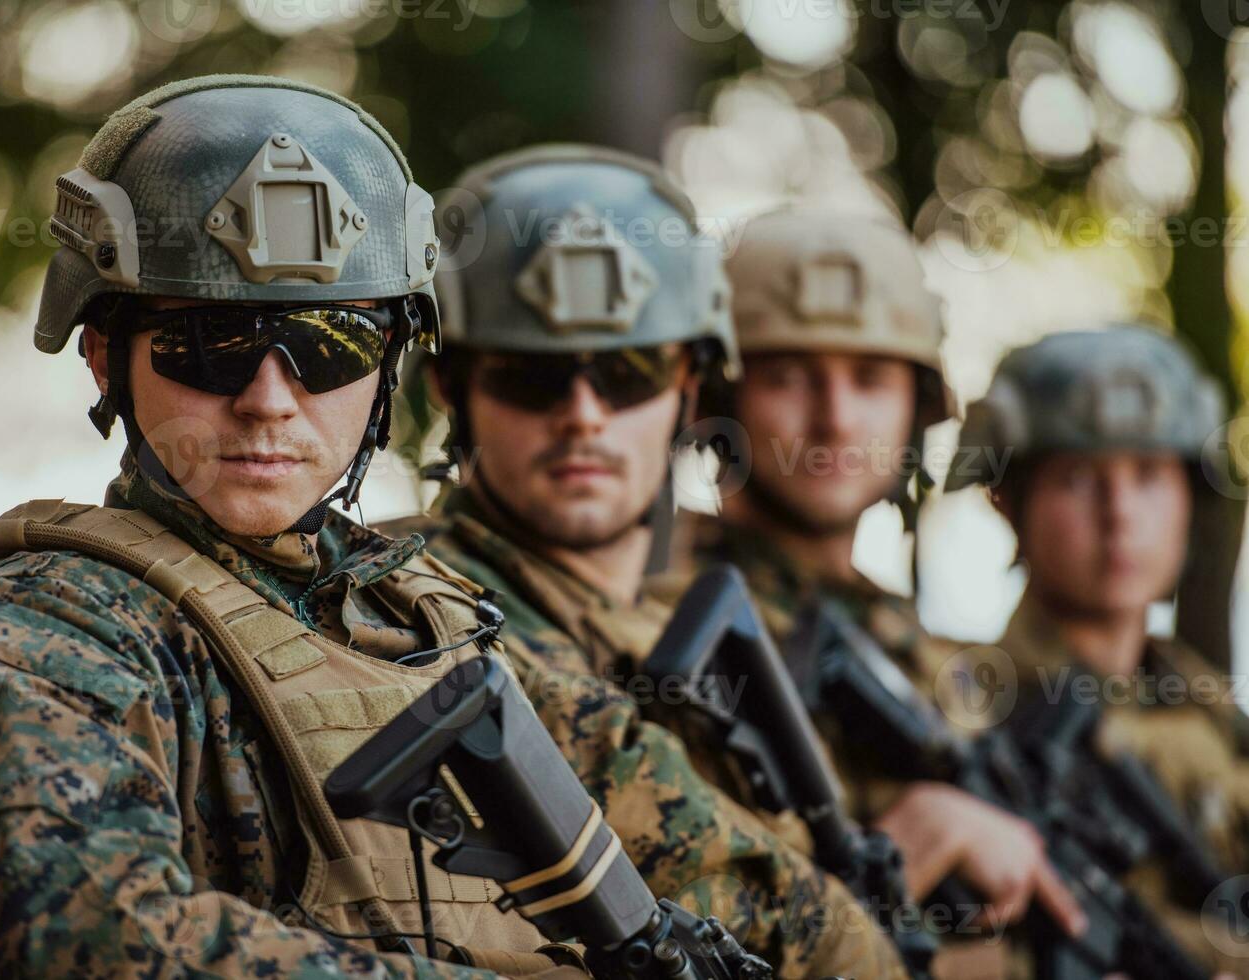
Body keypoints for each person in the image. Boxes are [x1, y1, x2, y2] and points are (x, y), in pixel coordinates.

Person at [0, 74, 582, 978]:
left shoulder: (424, 616)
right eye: (207, 342)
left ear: (390, 360)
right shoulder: (41, 632)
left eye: (332, 343)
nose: (268, 401)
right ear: (102, 358)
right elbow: (79, 944)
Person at [381, 145, 909, 978]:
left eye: (627, 373)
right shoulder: (403, 603)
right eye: (532, 376)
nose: (584, 416)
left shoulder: (674, 629)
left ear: (690, 385)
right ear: (452, 385)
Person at [670, 206, 1088, 975]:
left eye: (868, 379)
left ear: (915, 407)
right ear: (718, 396)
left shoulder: (916, 645)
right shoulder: (657, 615)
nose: (834, 420)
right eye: (790, 376)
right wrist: (909, 846)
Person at [946, 323, 1249, 976]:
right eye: (1079, 478)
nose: (1120, 514)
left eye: (1147, 475)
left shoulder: (1211, 713)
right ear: (1007, 499)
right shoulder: (959, 702)